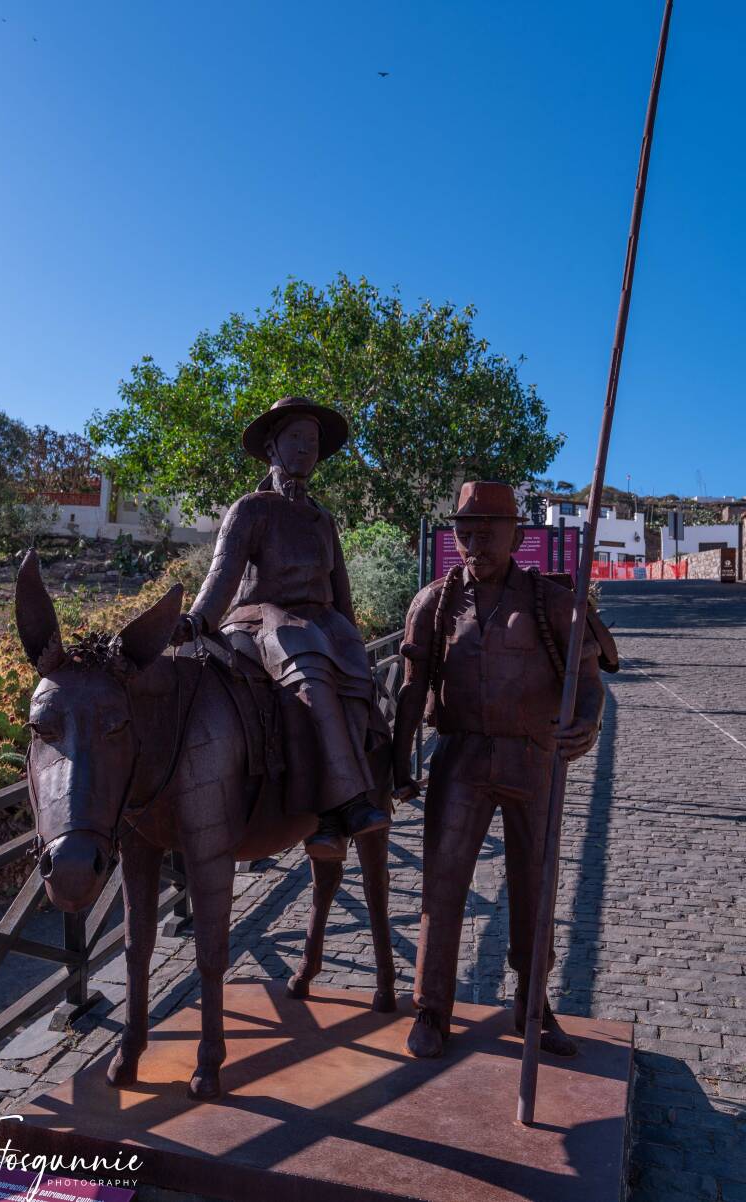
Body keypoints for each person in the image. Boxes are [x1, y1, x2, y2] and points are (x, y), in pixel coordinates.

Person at [392, 481, 606, 1058]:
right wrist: (396, 761)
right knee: (441, 885)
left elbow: (588, 682)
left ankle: (534, 1007)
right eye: (465, 531)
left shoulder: (554, 603)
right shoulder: (433, 603)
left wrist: (587, 723)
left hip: (532, 761)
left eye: (489, 531)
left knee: (534, 888)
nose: (475, 542)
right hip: (459, 760)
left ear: (517, 534)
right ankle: (431, 1010)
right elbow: (413, 691)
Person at [172, 395, 389, 860]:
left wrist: (352, 640)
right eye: (295, 439)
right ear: (272, 448)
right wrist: (195, 619)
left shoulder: (323, 520)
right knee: (307, 664)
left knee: (354, 675)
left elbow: (341, 591)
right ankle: (336, 807)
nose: (305, 449)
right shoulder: (250, 509)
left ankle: (376, 787)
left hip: (320, 622)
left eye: (312, 442)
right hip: (260, 620)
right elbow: (221, 575)